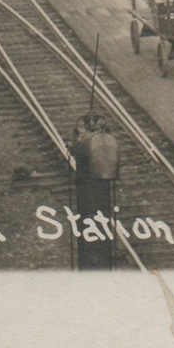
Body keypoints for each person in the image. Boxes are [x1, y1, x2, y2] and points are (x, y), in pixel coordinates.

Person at [72, 113, 120, 271]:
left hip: (90, 187)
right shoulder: (106, 140)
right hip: (101, 185)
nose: (92, 123)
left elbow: (76, 149)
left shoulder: (86, 140)